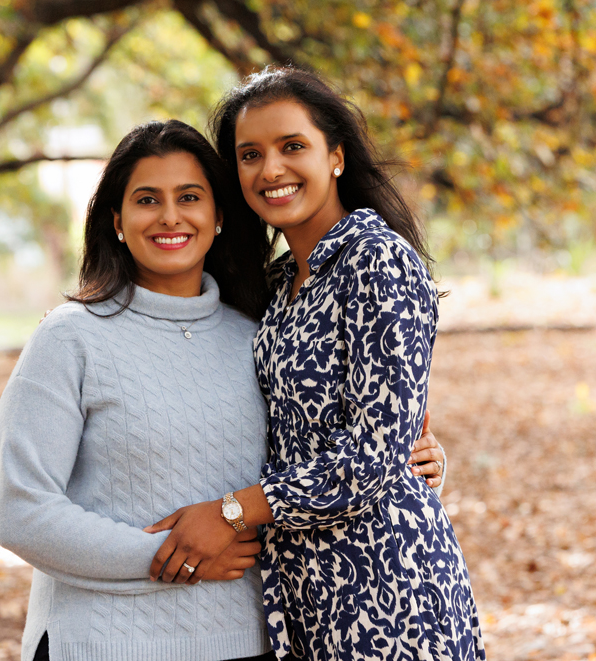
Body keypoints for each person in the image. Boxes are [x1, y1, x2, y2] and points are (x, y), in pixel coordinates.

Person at [0, 119, 448, 661]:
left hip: (250, 640)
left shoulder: (260, 334)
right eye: (146, 199)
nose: (169, 216)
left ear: (219, 216)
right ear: (116, 220)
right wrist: (170, 555)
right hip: (105, 642)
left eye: (190, 197)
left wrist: (415, 461)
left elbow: (329, 451)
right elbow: (24, 511)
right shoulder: (71, 338)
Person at [145, 68, 486, 661]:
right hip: (302, 589)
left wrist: (231, 513)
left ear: (336, 156)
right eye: (250, 155)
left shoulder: (376, 260)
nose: (270, 169)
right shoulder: (278, 285)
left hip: (386, 584)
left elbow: (374, 456)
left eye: (292, 146)